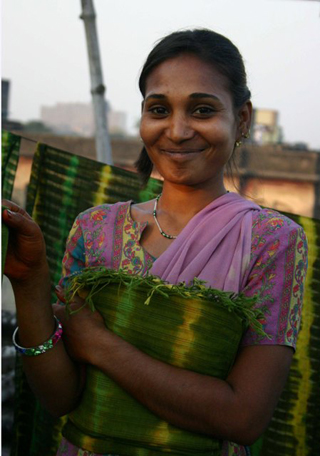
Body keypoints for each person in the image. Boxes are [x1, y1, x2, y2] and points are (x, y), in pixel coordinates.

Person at [2, 29, 308, 456]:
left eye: (202, 110)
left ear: (241, 120)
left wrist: (100, 345)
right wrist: (29, 281)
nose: (178, 131)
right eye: (159, 109)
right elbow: (60, 399)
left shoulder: (271, 241)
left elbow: (244, 418)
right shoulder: (95, 230)